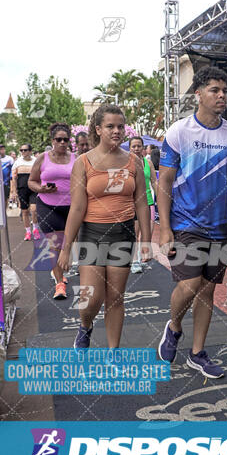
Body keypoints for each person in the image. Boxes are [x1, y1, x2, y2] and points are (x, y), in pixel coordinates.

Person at [157, 66, 227, 378]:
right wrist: (164, 228)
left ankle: (198, 353)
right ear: (198, 94)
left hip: (220, 226)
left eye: (224, 91)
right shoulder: (179, 132)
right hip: (186, 223)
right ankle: (174, 326)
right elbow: (164, 182)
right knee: (189, 285)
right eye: (215, 90)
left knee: (207, 291)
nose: (222, 96)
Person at [57, 105, 151, 349]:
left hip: (123, 233)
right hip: (92, 234)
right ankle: (85, 326)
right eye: (110, 126)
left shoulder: (134, 162)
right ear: (98, 129)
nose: (117, 131)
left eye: (120, 126)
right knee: (91, 299)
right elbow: (77, 208)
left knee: (115, 298)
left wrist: (146, 241)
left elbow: (142, 203)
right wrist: (66, 249)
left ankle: (113, 352)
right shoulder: (83, 162)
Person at [29, 123, 75, 300]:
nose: (62, 142)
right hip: (48, 205)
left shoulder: (75, 159)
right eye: (58, 139)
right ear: (52, 141)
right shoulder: (43, 158)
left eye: (65, 139)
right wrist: (42, 189)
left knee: (67, 245)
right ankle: (59, 283)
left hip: (72, 207)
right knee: (55, 245)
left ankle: (61, 271)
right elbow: (31, 181)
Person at [129, 136, 158, 273]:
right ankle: (135, 260)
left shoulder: (148, 163)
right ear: (129, 148)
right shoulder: (126, 163)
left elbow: (154, 182)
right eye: (133, 146)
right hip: (133, 202)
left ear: (143, 148)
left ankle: (141, 255)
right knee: (135, 233)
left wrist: (160, 198)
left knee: (148, 233)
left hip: (148, 201)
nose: (136, 148)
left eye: (139, 146)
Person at [10, 144, 40, 241]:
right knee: (24, 211)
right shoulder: (17, 162)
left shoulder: (36, 161)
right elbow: (14, 178)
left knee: (34, 210)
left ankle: (35, 229)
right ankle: (28, 232)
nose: (23, 152)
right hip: (22, 189)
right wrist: (13, 192)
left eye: (25, 150)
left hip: (34, 189)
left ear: (30, 151)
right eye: (21, 150)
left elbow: (40, 175)